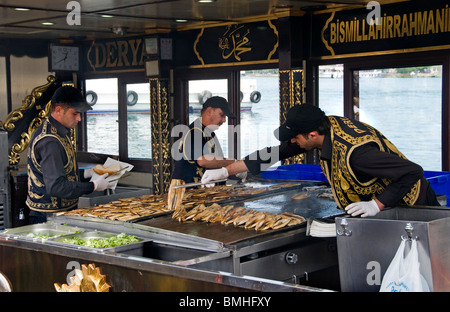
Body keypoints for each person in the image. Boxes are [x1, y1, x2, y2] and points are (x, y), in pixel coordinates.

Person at [202, 104, 440, 217]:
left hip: (413, 205)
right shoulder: (322, 125)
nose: (293, 142)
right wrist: (225, 171)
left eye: (295, 137)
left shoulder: (357, 153)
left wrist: (375, 204)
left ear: (312, 135)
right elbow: (275, 152)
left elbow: (413, 171)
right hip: (384, 206)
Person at [26, 86, 114, 224]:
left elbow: (61, 172)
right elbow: (56, 187)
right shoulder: (50, 142)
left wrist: (87, 173)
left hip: (61, 213)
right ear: (59, 110)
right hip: (48, 217)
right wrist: (94, 186)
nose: (79, 118)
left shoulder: (59, 131)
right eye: (75, 114)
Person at [171, 96, 244, 185]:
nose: (224, 120)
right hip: (190, 194)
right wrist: (236, 164)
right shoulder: (195, 131)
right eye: (222, 115)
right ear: (209, 111)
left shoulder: (207, 131)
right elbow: (203, 161)